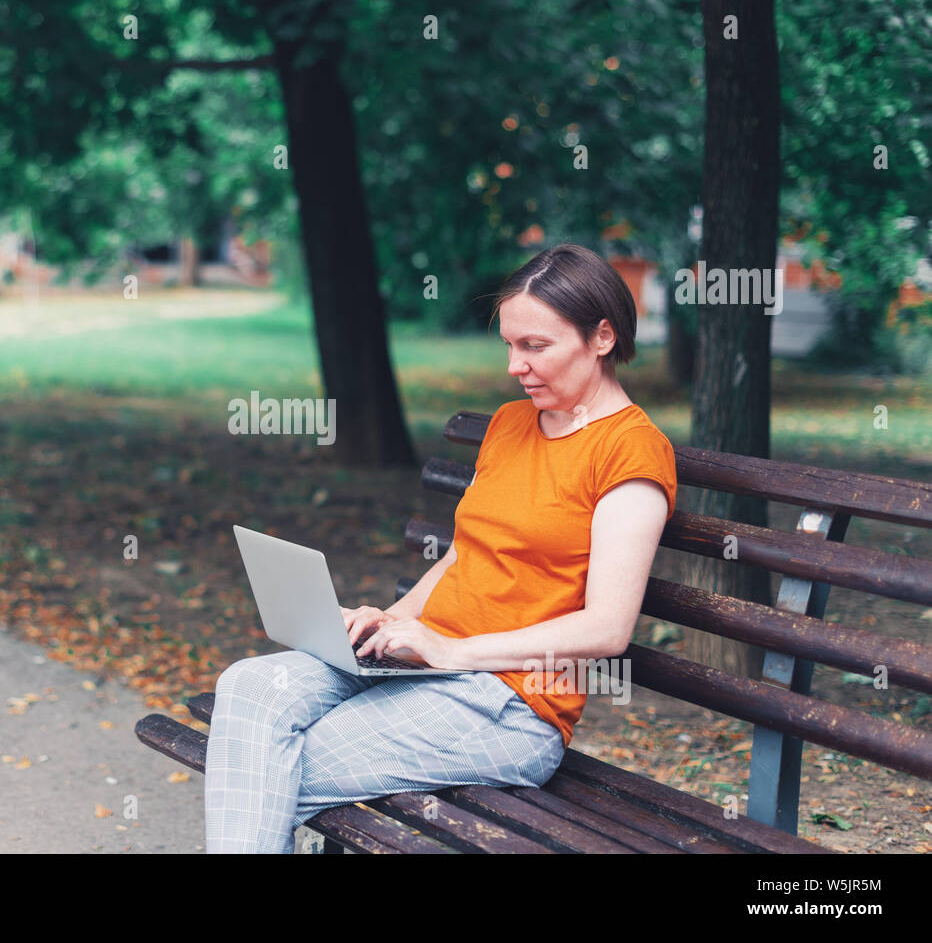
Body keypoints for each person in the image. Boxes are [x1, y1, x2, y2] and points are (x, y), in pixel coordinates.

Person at [203, 243, 678, 853]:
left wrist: (453, 651)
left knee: (265, 764)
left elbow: (608, 629)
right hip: (421, 664)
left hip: (508, 703)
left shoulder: (631, 453)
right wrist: (391, 620)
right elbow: (463, 554)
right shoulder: (510, 424)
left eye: (535, 346)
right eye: (509, 345)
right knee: (248, 688)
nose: (516, 365)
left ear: (603, 337)